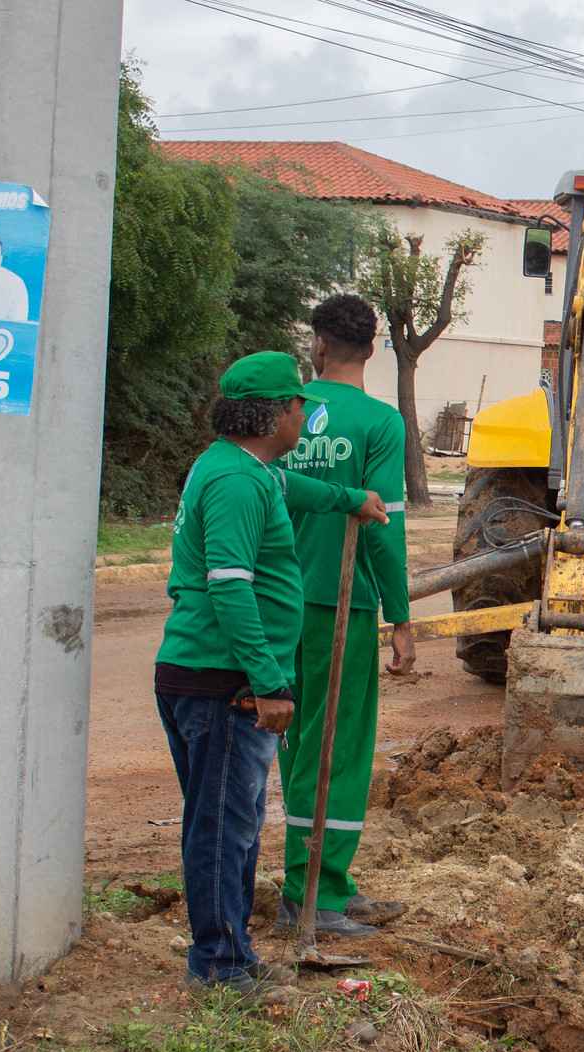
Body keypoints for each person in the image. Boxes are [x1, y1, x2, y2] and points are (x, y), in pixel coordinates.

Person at [155, 351, 387, 996]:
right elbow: (229, 586)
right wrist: (267, 682)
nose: (302, 418)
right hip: (222, 680)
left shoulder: (246, 468)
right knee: (222, 828)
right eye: (297, 407)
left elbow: (301, 490)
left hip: (212, 676)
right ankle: (220, 966)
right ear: (275, 414)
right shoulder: (235, 482)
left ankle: (233, 954)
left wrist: (354, 500)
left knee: (230, 820)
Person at [275, 295, 413, 938]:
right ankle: (316, 897)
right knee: (338, 747)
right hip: (341, 603)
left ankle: (322, 881)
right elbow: (385, 528)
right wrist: (400, 615)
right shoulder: (380, 423)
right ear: (375, 345)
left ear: (319, 345)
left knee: (295, 740)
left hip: (274, 603)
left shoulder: (282, 411)